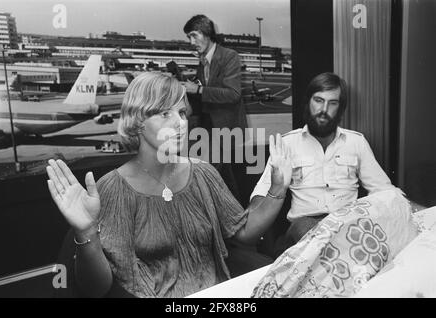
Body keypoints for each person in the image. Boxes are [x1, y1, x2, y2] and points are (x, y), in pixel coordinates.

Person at [46, 72, 291, 298]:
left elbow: (245, 233)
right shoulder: (114, 188)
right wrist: (87, 232)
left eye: (182, 113)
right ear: (138, 121)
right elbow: (96, 289)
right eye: (165, 114)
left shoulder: (203, 174)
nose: (180, 123)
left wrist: (277, 190)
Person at [250, 72, 395, 257]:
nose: (324, 109)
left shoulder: (356, 142)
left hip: (347, 227)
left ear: (340, 108)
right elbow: (259, 196)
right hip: (303, 230)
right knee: (306, 228)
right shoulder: (287, 144)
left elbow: (384, 191)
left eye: (332, 103)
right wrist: (269, 198)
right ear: (308, 102)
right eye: (318, 100)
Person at [182, 14, 247, 202]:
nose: (191, 41)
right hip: (208, 127)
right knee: (223, 178)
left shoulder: (229, 56)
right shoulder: (203, 60)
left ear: (207, 33)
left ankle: (232, 217)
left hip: (225, 129)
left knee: (216, 178)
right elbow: (206, 90)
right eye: (189, 37)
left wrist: (199, 89)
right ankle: (236, 217)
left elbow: (233, 94)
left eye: (194, 35)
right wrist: (191, 88)